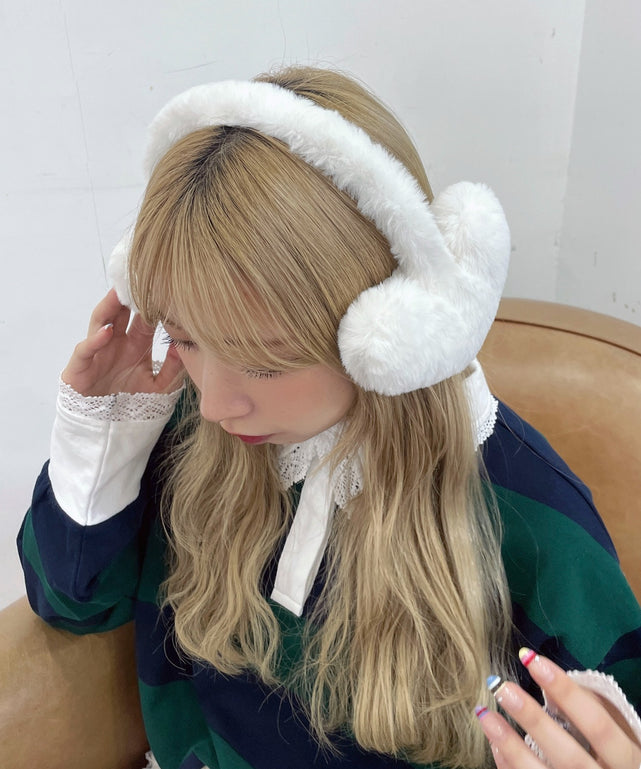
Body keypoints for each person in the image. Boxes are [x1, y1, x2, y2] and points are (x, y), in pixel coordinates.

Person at [17, 65, 641, 769]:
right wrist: (103, 438)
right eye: (186, 339)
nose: (217, 404)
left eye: (264, 361)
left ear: (387, 321)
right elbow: (70, 603)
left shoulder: (530, 517)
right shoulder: (187, 430)